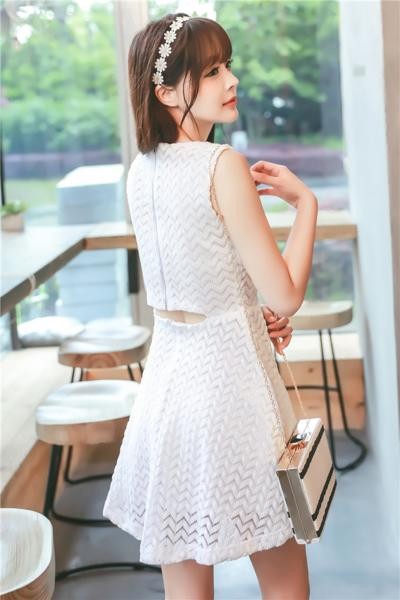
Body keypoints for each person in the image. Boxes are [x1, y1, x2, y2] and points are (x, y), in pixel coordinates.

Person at [103, 12, 317, 600]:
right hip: (232, 394)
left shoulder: (140, 171)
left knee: (186, 586)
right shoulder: (220, 165)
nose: (232, 81)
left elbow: (196, 284)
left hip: (168, 391)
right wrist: (306, 205)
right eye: (213, 71)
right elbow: (286, 294)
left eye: (228, 66)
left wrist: (251, 313)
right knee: (285, 583)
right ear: (166, 91)